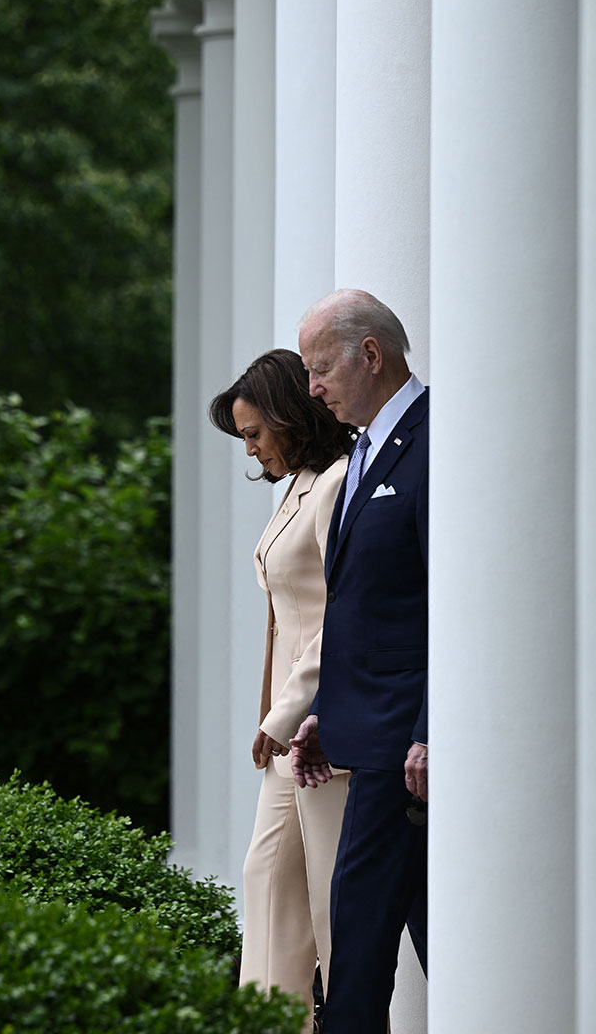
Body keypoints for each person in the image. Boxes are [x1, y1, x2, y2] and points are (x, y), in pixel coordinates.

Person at [289, 290, 428, 1034]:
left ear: (369, 356)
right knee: (429, 935)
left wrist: (432, 727)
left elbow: (450, 603)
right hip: (368, 733)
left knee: (360, 950)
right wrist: (325, 712)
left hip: (401, 751)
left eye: (319, 370)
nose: (312, 389)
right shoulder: (368, 449)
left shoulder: (434, 441)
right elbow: (365, 605)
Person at [209, 348, 353, 1033]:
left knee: (330, 910)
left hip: (325, 730)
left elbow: (342, 612)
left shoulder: (336, 487)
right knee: (267, 882)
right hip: (285, 738)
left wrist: (288, 708)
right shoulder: (297, 486)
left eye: (255, 433)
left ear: (291, 416)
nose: (253, 449)